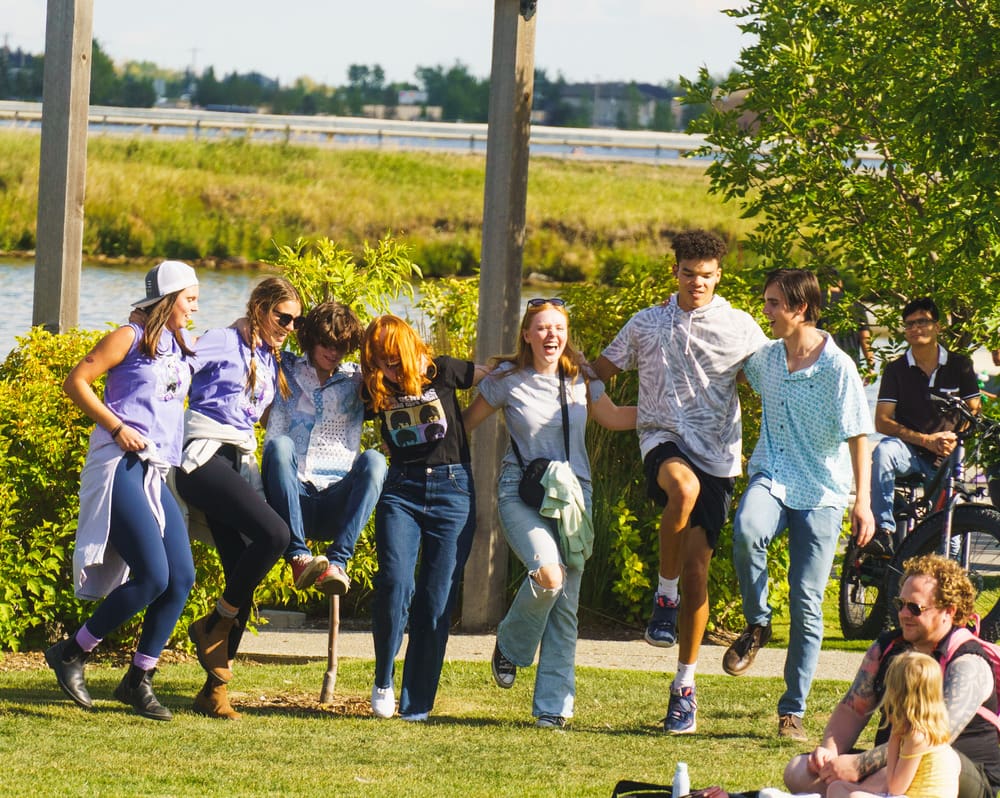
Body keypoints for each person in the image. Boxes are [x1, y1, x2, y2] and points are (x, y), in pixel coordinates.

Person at [592, 229, 768, 734]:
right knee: (681, 489)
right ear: (675, 272)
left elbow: (768, 379)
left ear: (719, 276)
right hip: (663, 443)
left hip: (719, 457)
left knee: (698, 573)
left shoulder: (740, 327)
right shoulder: (647, 323)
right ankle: (662, 596)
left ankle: (684, 687)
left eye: (707, 275)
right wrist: (609, 412)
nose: (697, 282)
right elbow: (597, 370)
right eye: (688, 273)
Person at [463, 298, 636, 728]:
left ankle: (552, 711)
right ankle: (511, 644)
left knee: (566, 608)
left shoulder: (581, 378)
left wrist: (669, 417)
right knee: (548, 576)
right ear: (526, 334)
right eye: (541, 328)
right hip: (522, 494)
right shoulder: (507, 379)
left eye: (558, 328)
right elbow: (463, 425)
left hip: (576, 498)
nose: (551, 336)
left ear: (566, 334)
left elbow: (612, 417)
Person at [724, 269, 874, 742]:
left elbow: (859, 437)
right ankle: (759, 622)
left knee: (808, 601)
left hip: (823, 493)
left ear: (800, 308)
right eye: (765, 302)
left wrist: (862, 503)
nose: (765, 311)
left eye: (772, 304)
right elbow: (722, 371)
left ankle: (792, 710)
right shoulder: (766, 359)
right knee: (748, 528)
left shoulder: (837, 367)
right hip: (773, 474)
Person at [45, 260, 200, 721]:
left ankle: (137, 680)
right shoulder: (127, 337)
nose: (194, 308)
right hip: (119, 467)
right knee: (153, 575)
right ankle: (72, 652)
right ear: (168, 300)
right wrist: (116, 427)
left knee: (181, 578)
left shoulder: (176, 343)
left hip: (152, 471)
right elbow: (76, 381)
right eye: (189, 299)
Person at [174, 276, 300, 720]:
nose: (288, 326)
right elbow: (176, 361)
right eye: (283, 317)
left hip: (237, 462)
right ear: (260, 307)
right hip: (202, 459)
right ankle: (215, 622)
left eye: (294, 322)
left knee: (242, 572)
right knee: (274, 534)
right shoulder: (222, 341)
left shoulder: (269, 356)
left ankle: (214, 690)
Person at [784, 554, 1000, 798]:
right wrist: (830, 753)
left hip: (955, 772)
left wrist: (859, 764)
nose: (904, 614)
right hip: (893, 766)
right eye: (901, 604)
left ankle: (853, 793)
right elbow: (853, 709)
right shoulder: (888, 647)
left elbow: (935, 738)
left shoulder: (968, 663)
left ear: (948, 611)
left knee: (912, 764)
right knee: (797, 770)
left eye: (915, 608)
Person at [360, 315, 484, 721]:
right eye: (382, 361)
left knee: (436, 599)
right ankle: (383, 678)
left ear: (414, 348)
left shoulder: (442, 370)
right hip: (401, 491)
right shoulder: (373, 389)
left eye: (397, 358)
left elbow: (492, 374)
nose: (392, 368)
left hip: (454, 491)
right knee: (395, 582)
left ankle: (417, 703)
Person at [261, 301, 387, 595]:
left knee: (375, 460)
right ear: (311, 338)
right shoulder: (284, 366)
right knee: (281, 445)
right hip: (292, 496)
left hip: (335, 498)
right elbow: (256, 332)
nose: (333, 353)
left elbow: (401, 371)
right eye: (327, 344)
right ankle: (297, 556)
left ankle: (337, 562)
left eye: (341, 347)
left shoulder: (357, 379)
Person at [869, 298, 980, 553]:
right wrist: (925, 440)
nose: (916, 328)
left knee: (949, 545)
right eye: (909, 324)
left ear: (937, 327)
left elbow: (974, 409)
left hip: (947, 459)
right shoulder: (896, 369)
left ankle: (946, 579)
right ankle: (883, 531)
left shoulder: (959, 365)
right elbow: (882, 420)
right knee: (883, 451)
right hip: (909, 452)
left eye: (923, 322)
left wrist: (954, 437)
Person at [828, 651, 960, 798]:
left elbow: (895, 788)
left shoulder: (917, 736)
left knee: (855, 796)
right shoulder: (928, 730)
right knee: (836, 788)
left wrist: (894, 738)